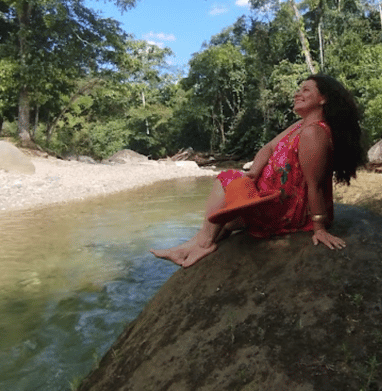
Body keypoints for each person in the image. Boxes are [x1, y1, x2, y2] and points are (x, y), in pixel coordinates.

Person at [151, 74, 364, 268]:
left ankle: (203, 245)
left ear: (323, 99)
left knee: (227, 178)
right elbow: (269, 147)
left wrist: (319, 228)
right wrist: (253, 174)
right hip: (268, 199)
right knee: (224, 222)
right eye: (299, 89)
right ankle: (188, 248)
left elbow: (314, 184)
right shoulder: (299, 126)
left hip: (290, 210)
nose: (298, 93)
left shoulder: (313, 133)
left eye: (306, 90)